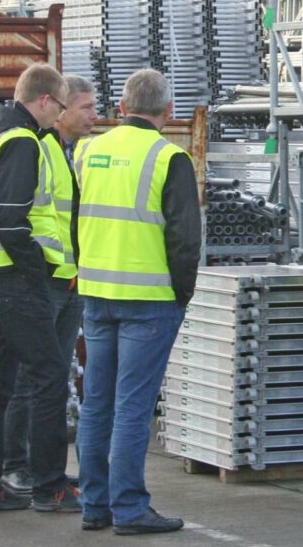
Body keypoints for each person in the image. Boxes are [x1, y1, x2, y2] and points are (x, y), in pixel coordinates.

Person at [74, 68, 201, 535]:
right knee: (132, 406)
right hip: (149, 298)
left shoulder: (88, 150)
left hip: (97, 293)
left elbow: (74, 220)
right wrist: (181, 295)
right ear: (168, 112)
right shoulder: (170, 157)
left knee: (96, 403)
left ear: (121, 109)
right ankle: (129, 508)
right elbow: (186, 239)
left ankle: (95, 505)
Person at [0, 62, 81, 514]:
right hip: (15, 279)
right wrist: (38, 270)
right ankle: (50, 486)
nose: (60, 117)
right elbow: (10, 220)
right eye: (60, 107)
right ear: (46, 100)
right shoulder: (21, 141)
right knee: (49, 376)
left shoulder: (2, 136)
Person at [0, 75, 98, 496]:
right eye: (85, 108)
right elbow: (23, 219)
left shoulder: (68, 153)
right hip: (47, 281)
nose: (94, 116)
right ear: (58, 108)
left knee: (52, 380)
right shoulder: (39, 150)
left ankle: (43, 469)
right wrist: (41, 269)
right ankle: (17, 465)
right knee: (31, 378)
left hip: (68, 280)